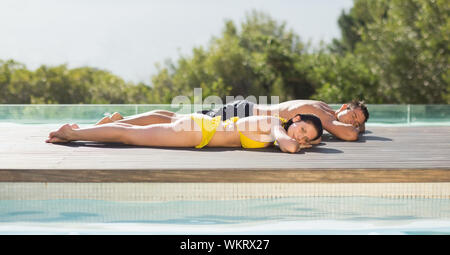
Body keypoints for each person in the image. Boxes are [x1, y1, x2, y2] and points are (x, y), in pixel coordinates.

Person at [96, 99, 369, 141]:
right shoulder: (324, 114)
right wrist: (359, 129)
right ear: (344, 107)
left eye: (357, 121)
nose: (354, 123)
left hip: (245, 109)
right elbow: (350, 135)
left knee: (177, 117)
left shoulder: (320, 107)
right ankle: (122, 122)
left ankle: (124, 118)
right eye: (354, 116)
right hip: (245, 114)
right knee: (178, 120)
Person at [46, 113, 324, 154]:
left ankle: (79, 131)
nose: (302, 137)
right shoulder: (274, 123)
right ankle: (72, 134)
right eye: (302, 129)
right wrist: (299, 143)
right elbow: (289, 147)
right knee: (131, 135)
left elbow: (292, 142)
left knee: (136, 130)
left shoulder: (277, 128)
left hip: (202, 127)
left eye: (307, 136)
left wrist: (311, 141)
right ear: (294, 120)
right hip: (198, 132)